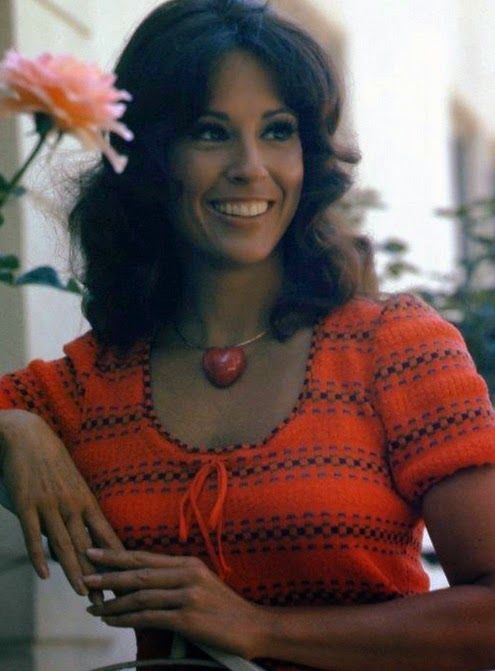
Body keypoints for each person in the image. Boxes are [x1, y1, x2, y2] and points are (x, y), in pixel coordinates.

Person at [1, 1, 495, 669]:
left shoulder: (396, 348)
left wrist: (260, 629)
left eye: (277, 131)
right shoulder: (92, 383)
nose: (249, 166)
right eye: (210, 132)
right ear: (151, 158)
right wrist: (14, 429)